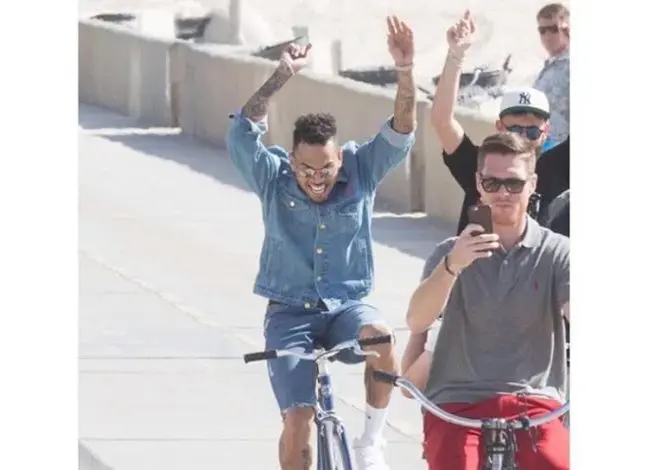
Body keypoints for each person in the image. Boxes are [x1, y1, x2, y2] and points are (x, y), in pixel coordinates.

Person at [225, 16, 417, 470]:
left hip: (346, 306)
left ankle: (371, 442)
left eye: (326, 169)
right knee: (298, 419)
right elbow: (241, 132)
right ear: (290, 160)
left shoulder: (361, 168)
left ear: (340, 158)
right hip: (289, 312)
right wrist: (280, 76)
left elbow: (403, 128)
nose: (316, 179)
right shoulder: (273, 177)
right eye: (307, 169)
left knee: (382, 338)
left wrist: (405, 69)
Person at [407, 132, 570, 470]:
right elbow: (417, 321)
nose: (503, 193)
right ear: (478, 184)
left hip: (534, 400)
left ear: (532, 184)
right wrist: (452, 266)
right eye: (492, 183)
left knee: (554, 462)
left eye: (514, 183)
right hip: (456, 401)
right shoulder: (448, 251)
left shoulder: (557, 252)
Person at [430, 11, 558, 235]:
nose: (523, 137)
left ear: (545, 131)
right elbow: (442, 121)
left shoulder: (557, 169)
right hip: (476, 257)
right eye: (514, 129)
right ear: (499, 127)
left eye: (532, 131)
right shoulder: (479, 164)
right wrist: (456, 55)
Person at [534, 3, 570, 149]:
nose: (547, 36)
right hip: (543, 144)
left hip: (561, 148)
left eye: (554, 29)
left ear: (567, 29)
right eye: (542, 30)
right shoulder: (551, 65)